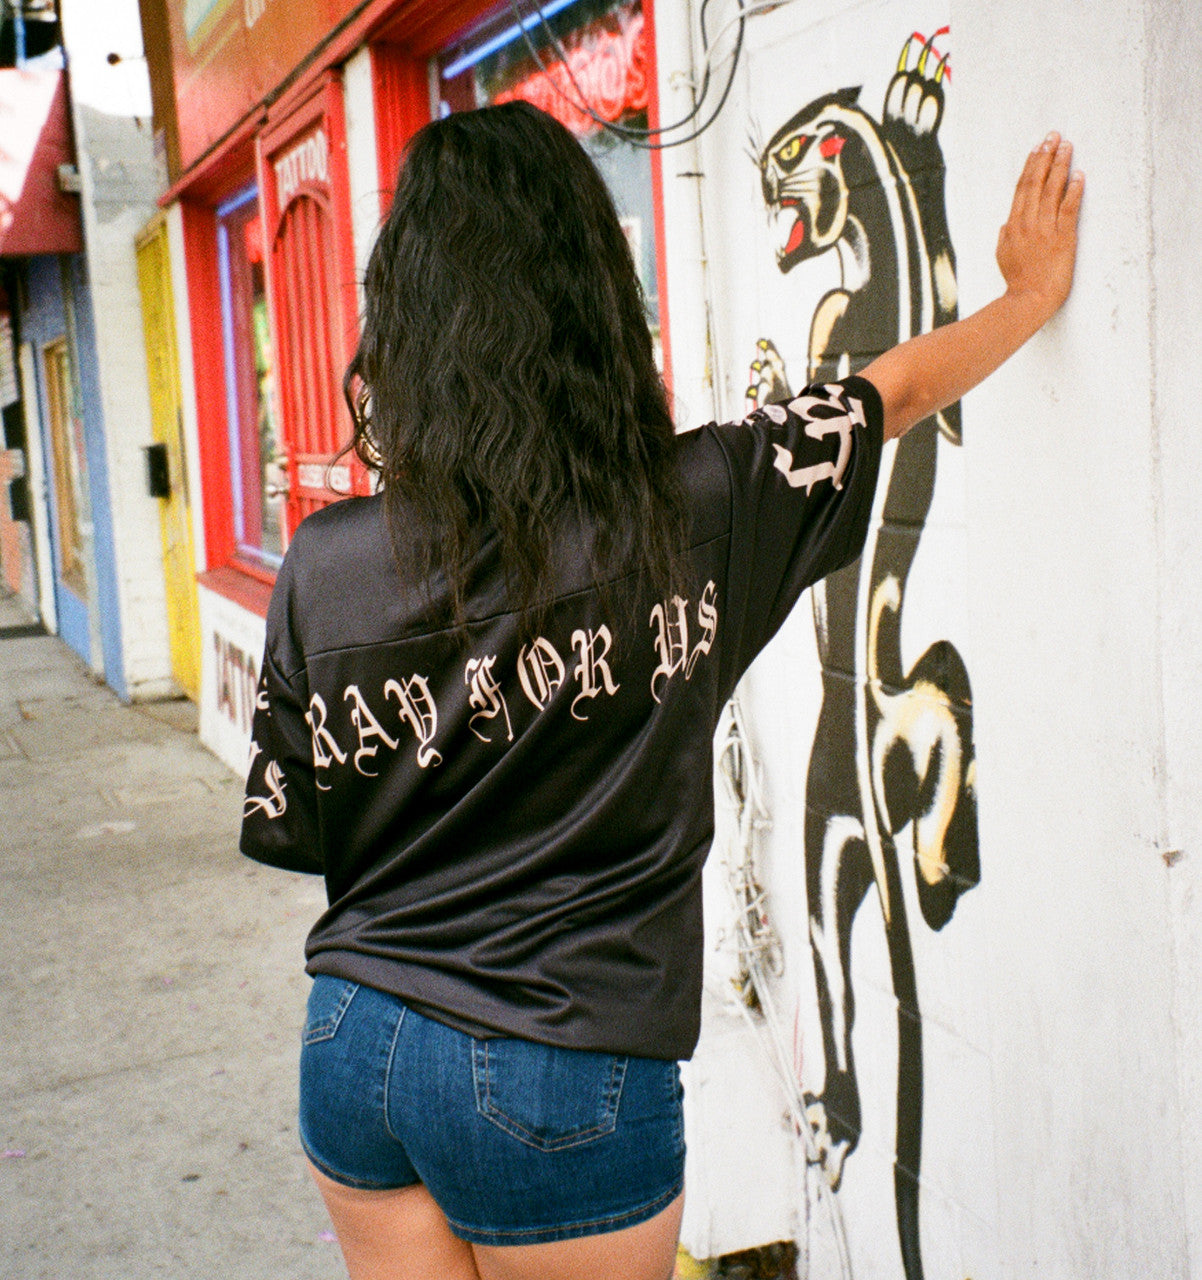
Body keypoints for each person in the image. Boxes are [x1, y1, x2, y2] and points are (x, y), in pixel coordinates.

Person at [240, 103, 1082, 1280]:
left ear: (404, 321)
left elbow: (303, 823)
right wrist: (1025, 300)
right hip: (566, 1059)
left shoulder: (323, 565)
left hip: (356, 1042)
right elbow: (881, 395)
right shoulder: (700, 506)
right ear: (594, 298)